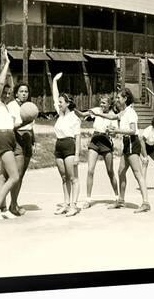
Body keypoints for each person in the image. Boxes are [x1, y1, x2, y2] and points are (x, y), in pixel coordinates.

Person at [90, 88, 151, 213]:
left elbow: (133, 130)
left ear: (125, 99)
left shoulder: (131, 112)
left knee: (137, 173)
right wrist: (98, 114)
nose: (117, 100)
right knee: (121, 172)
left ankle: (146, 203)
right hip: (126, 143)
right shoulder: (124, 112)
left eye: (119, 97)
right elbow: (112, 117)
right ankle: (121, 201)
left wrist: (116, 131)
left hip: (132, 143)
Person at [0, 47, 23, 220]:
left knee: (4, 176)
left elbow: (15, 124)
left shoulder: (5, 107)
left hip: (10, 138)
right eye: (5, 92)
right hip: (3, 139)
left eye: (9, 93)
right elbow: (1, 82)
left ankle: (2, 209)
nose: (7, 94)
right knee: (15, 176)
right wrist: (7, 63)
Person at [75, 95, 120, 208]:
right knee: (90, 170)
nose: (101, 105)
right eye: (101, 102)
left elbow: (114, 132)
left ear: (109, 104)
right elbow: (82, 114)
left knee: (110, 172)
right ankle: (88, 200)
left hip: (106, 142)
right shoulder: (96, 110)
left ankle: (117, 197)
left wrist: (111, 132)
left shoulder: (113, 116)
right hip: (95, 140)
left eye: (104, 103)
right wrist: (73, 108)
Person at [1, 82, 37, 216]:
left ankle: (13, 203)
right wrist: (23, 123)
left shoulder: (30, 107)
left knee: (21, 176)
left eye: (26, 91)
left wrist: (34, 142)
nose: (24, 94)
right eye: (21, 91)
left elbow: (32, 127)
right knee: (16, 175)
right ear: (16, 93)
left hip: (28, 139)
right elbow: (9, 126)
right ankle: (11, 206)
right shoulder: (11, 106)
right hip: (17, 138)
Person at [52, 72, 82, 217]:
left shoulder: (74, 117)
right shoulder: (60, 114)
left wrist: (77, 155)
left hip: (70, 146)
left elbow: (78, 137)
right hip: (59, 146)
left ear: (68, 103)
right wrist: (54, 81)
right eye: (58, 102)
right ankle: (66, 203)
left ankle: (74, 205)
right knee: (64, 177)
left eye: (61, 102)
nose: (58, 104)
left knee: (73, 178)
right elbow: (55, 95)